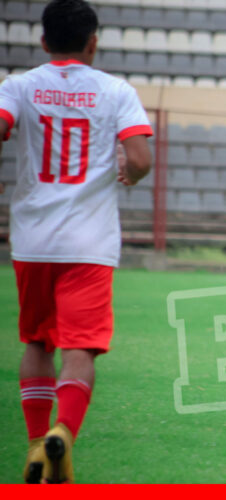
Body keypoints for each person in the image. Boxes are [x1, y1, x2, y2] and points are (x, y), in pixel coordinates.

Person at [0, 0, 153, 483]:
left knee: (37, 342)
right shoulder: (115, 90)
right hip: (89, 241)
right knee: (80, 349)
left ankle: (34, 441)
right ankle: (63, 434)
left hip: (33, 240)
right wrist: (131, 169)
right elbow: (140, 156)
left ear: (44, 42)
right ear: (93, 42)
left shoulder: (19, 86)